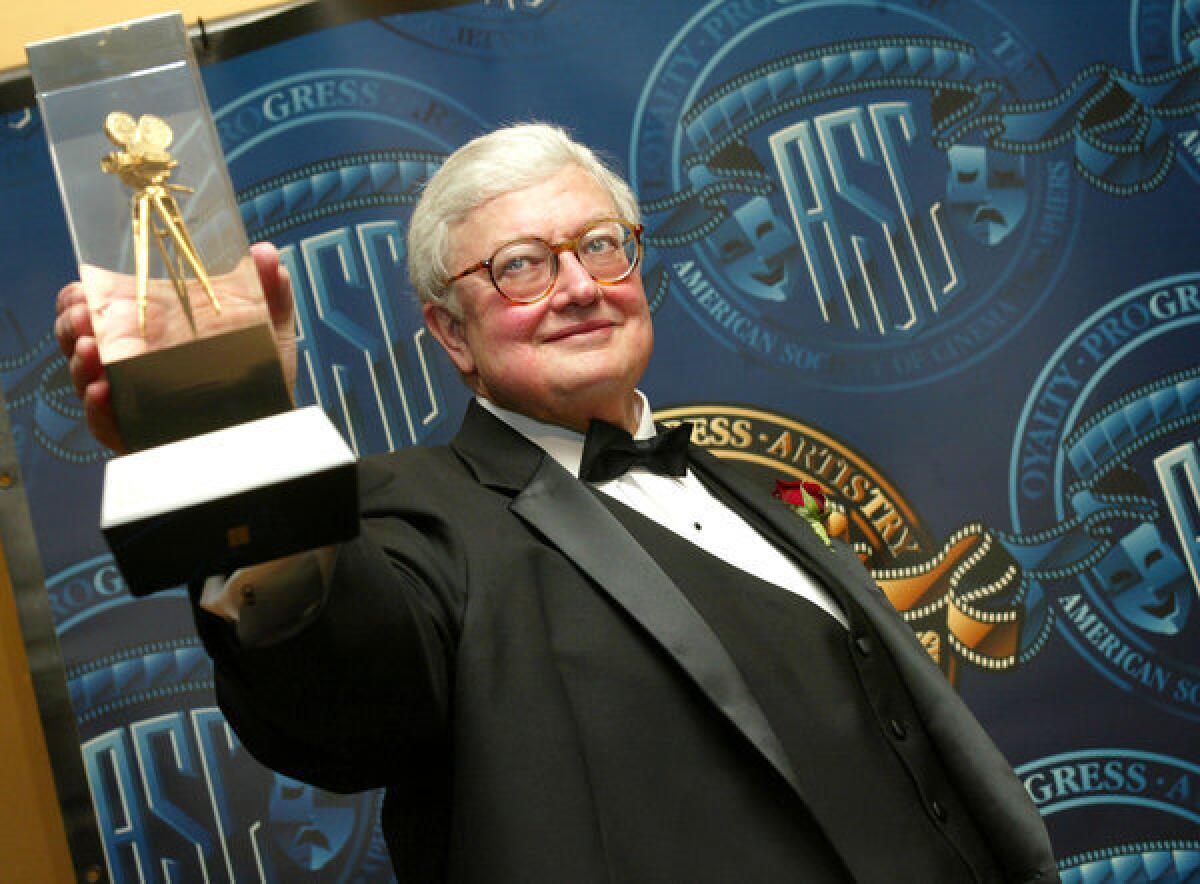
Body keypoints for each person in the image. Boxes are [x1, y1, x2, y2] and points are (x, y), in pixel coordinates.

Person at [56, 123, 1058, 883]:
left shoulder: (752, 492)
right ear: (451, 334)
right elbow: (342, 695)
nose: (578, 285)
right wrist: (236, 433)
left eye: (601, 246)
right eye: (520, 267)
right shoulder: (410, 513)